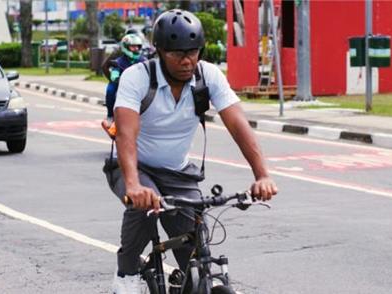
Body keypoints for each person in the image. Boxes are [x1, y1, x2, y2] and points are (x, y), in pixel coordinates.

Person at [104, 9, 278, 293]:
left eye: (193, 52)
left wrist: (262, 175)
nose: (186, 61)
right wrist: (134, 185)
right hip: (135, 167)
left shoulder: (208, 75)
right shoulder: (137, 77)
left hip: (178, 172)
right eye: (177, 54)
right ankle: (126, 275)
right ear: (159, 50)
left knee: (195, 259)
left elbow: (238, 125)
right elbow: (126, 133)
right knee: (142, 203)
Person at [101, 34, 147, 138]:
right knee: (110, 89)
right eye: (132, 46)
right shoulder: (119, 61)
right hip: (123, 87)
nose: (135, 49)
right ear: (125, 47)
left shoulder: (144, 61)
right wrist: (115, 76)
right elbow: (114, 72)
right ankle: (110, 116)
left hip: (140, 87)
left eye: (137, 46)